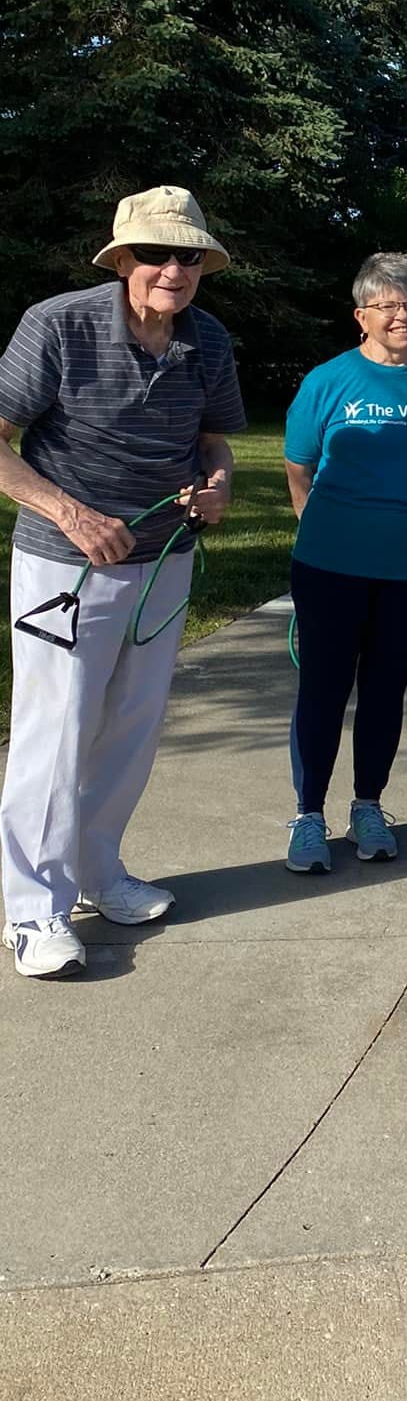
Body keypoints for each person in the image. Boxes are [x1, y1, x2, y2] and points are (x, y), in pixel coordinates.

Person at [0, 187, 243, 978]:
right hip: (64, 563)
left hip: (164, 559)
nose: (173, 269)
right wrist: (71, 514)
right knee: (55, 730)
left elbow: (215, 442)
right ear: (121, 260)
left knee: (131, 727)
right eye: (155, 253)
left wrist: (218, 485)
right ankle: (33, 910)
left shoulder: (208, 338)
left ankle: (98, 872)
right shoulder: (58, 324)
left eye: (188, 256)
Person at [281, 254, 407, 874]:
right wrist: (317, 524)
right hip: (330, 563)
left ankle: (368, 805)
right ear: (362, 316)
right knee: (324, 688)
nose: (401, 315)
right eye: (387, 305)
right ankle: (309, 814)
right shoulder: (327, 380)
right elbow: (299, 465)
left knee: (386, 689)